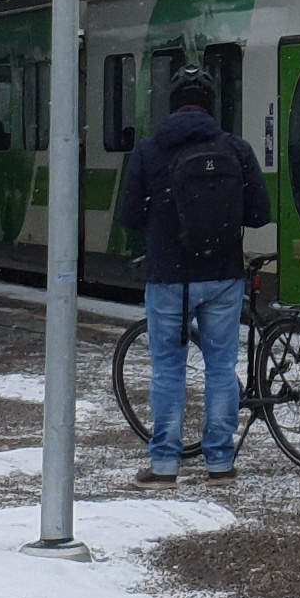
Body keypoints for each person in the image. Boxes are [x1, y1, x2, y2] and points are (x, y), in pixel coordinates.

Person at [110, 66, 269, 484]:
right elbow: (261, 212)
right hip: (222, 275)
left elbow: (128, 217)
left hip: (169, 277)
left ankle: (164, 464)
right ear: (211, 106)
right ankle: (220, 461)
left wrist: (163, 224)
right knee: (221, 366)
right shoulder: (236, 149)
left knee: (168, 368)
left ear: (172, 104)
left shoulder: (148, 151)